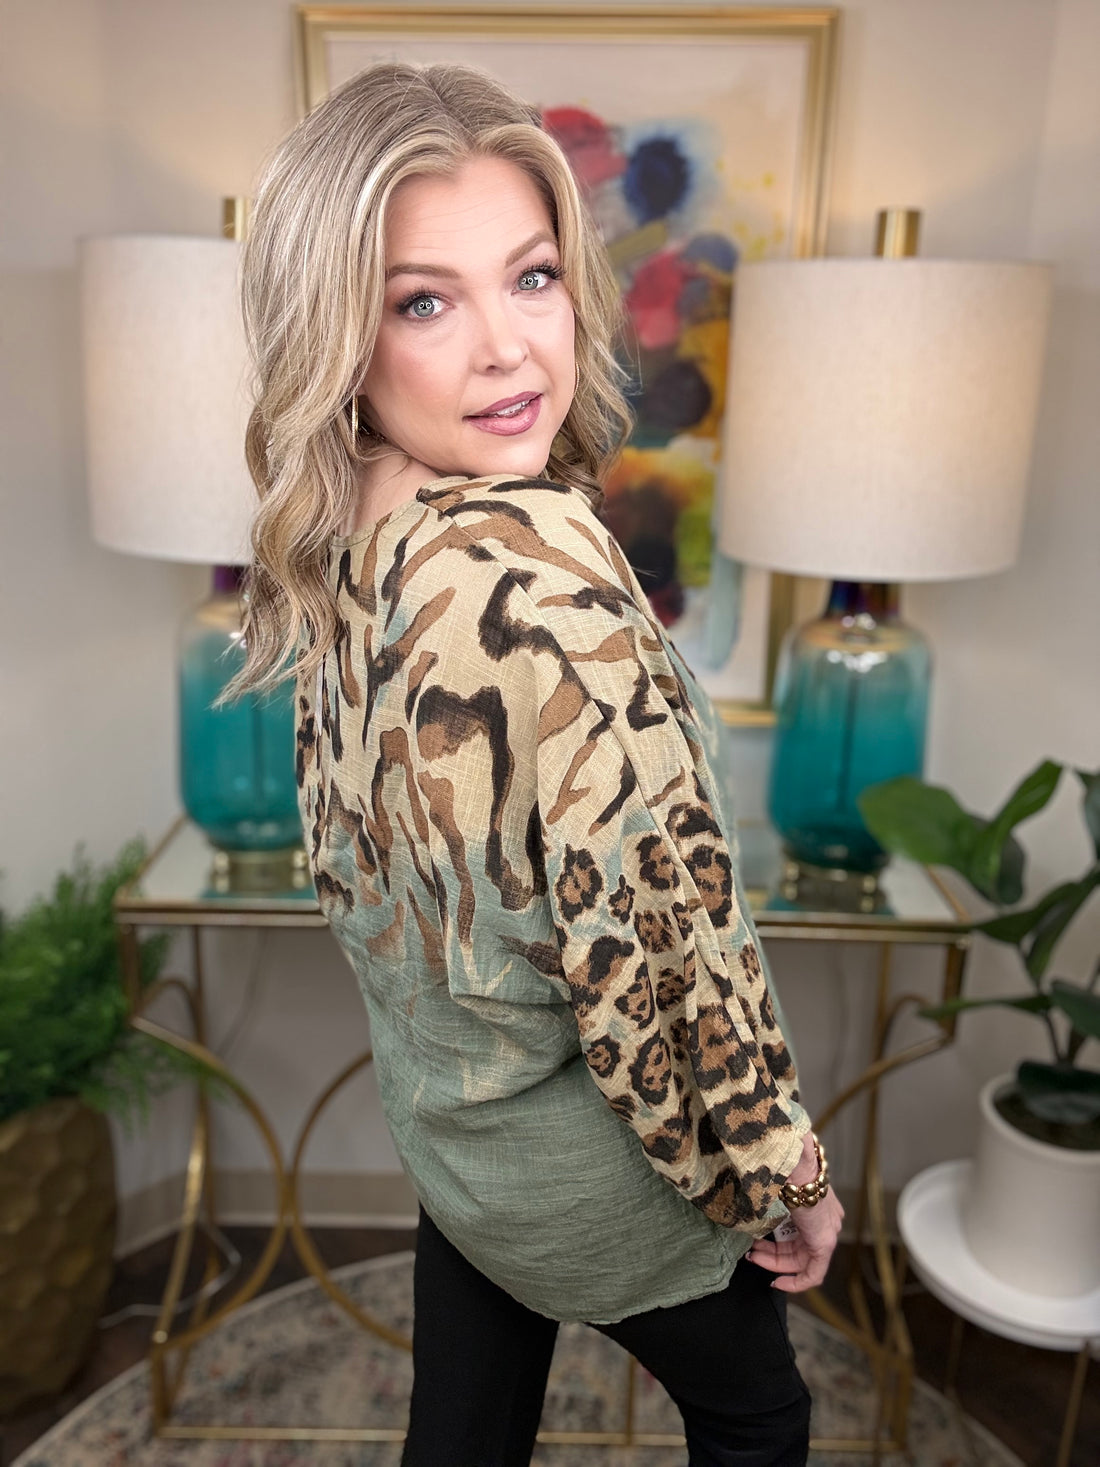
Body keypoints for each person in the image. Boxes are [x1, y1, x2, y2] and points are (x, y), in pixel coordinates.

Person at [233, 60, 843, 1467]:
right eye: (423, 301)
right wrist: (781, 1168)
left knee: (463, 1426)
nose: (510, 350)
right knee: (759, 1413)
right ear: (340, 333)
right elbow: (666, 937)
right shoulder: (546, 577)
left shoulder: (349, 552)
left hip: (460, 1152)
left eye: (531, 277)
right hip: (597, 1177)